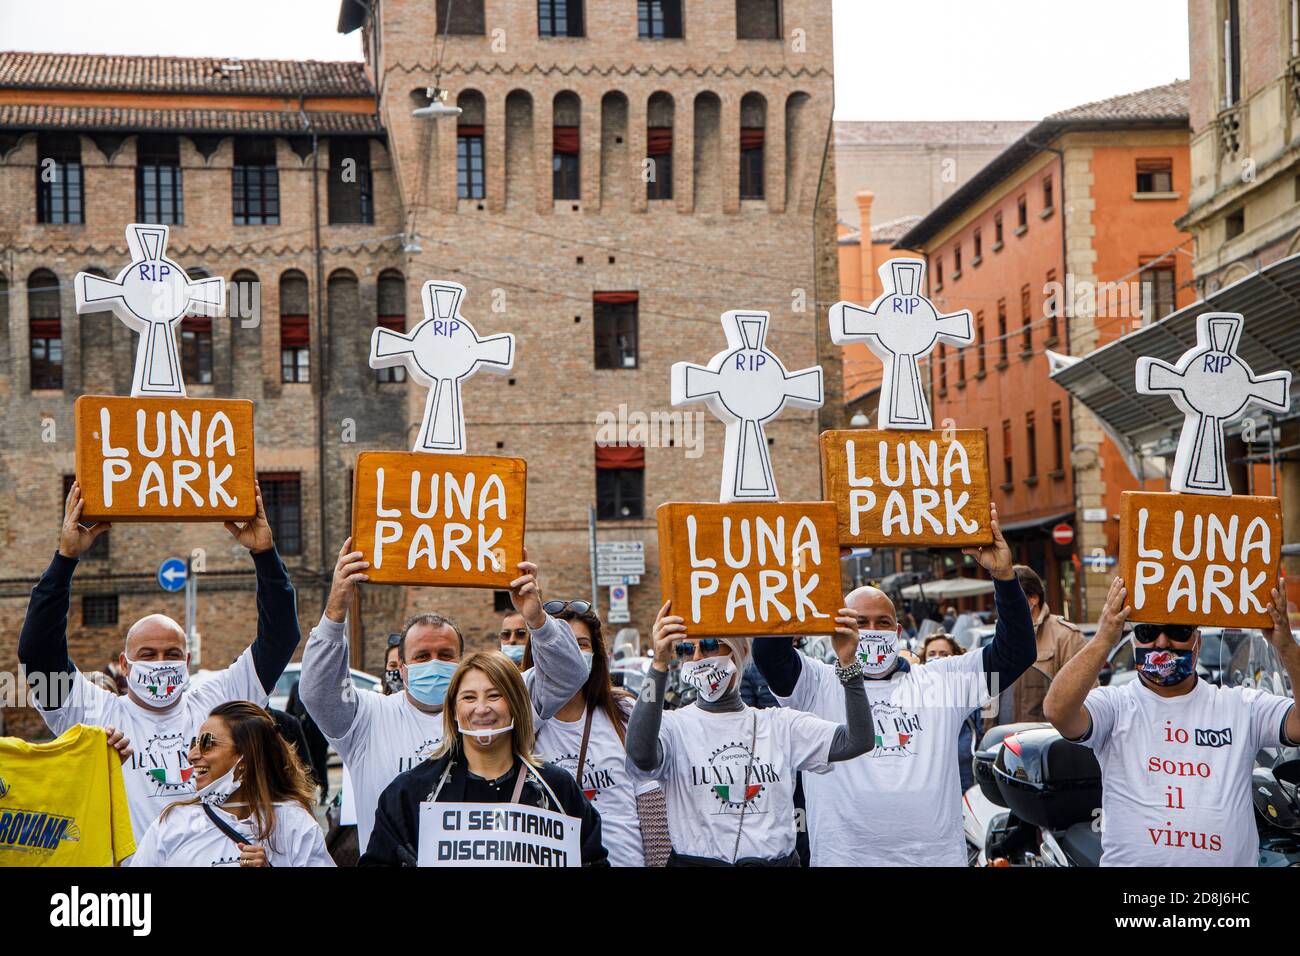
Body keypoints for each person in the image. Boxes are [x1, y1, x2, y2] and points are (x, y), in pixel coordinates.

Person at [752, 503, 1037, 867]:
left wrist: (1004, 577)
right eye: (860, 622)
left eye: (882, 622)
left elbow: (1016, 652)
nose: (871, 632)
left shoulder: (941, 681)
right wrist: (811, 567)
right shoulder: (816, 684)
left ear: (899, 633)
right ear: (839, 628)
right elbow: (768, 653)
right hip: (846, 859)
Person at [17, 481, 300, 845]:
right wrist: (65, 559)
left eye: (171, 655)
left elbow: (280, 639)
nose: (161, 663)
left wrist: (265, 554)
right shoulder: (92, 711)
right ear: (125, 664)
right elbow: (38, 653)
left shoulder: (218, 702)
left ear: (188, 660)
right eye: (147, 655)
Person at [300, 539, 588, 855]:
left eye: (446, 654)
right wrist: (335, 610)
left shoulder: (498, 706)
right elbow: (317, 692)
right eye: (422, 656)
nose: (434, 663)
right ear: (403, 668)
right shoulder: (367, 718)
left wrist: (537, 619)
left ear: (462, 661)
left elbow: (568, 676)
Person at [1044, 577, 1300, 866]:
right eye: (1148, 630)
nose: (1162, 642)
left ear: (1197, 641)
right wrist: (1104, 638)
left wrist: (1286, 646)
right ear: (1132, 638)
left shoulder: (1240, 706)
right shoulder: (1114, 706)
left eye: (1178, 630)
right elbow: (1057, 710)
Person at [625, 605, 875, 866]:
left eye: (710, 645)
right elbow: (640, 755)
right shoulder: (673, 727)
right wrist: (658, 666)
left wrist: (849, 665)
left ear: (740, 651)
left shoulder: (780, 725)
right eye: (686, 650)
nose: (698, 657)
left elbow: (858, 740)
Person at [361, 651, 608, 866]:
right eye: (469, 697)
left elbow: (593, 860)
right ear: (454, 710)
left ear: (515, 705)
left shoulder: (558, 788)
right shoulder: (411, 792)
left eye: (494, 696)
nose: (481, 709)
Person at [526, 598, 664, 867]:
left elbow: (648, 795)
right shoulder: (523, 717)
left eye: (581, 644)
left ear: (597, 653)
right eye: (563, 647)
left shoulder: (622, 710)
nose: (572, 655)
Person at [132, 702, 334, 867]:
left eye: (207, 743)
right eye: (194, 743)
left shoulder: (294, 823)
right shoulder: (174, 822)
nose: (192, 755)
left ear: (246, 757)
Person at [992, 564, 1089, 725]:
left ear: (1033, 599)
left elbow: (1087, 697)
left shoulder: (1065, 636)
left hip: (1045, 741)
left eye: (1010, 597)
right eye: (1001, 597)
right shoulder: (999, 637)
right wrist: (986, 737)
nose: (1003, 603)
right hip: (1001, 743)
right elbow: (991, 697)